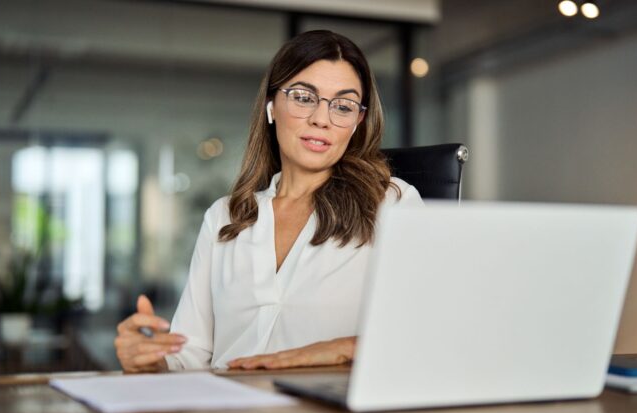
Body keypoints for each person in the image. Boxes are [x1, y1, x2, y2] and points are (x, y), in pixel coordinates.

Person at [115, 30, 423, 373]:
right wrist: (149, 359)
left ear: (357, 122)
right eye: (304, 98)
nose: (322, 119)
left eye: (343, 106)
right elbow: (190, 354)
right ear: (271, 106)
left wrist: (337, 349)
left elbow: (426, 331)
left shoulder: (392, 205)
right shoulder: (225, 217)